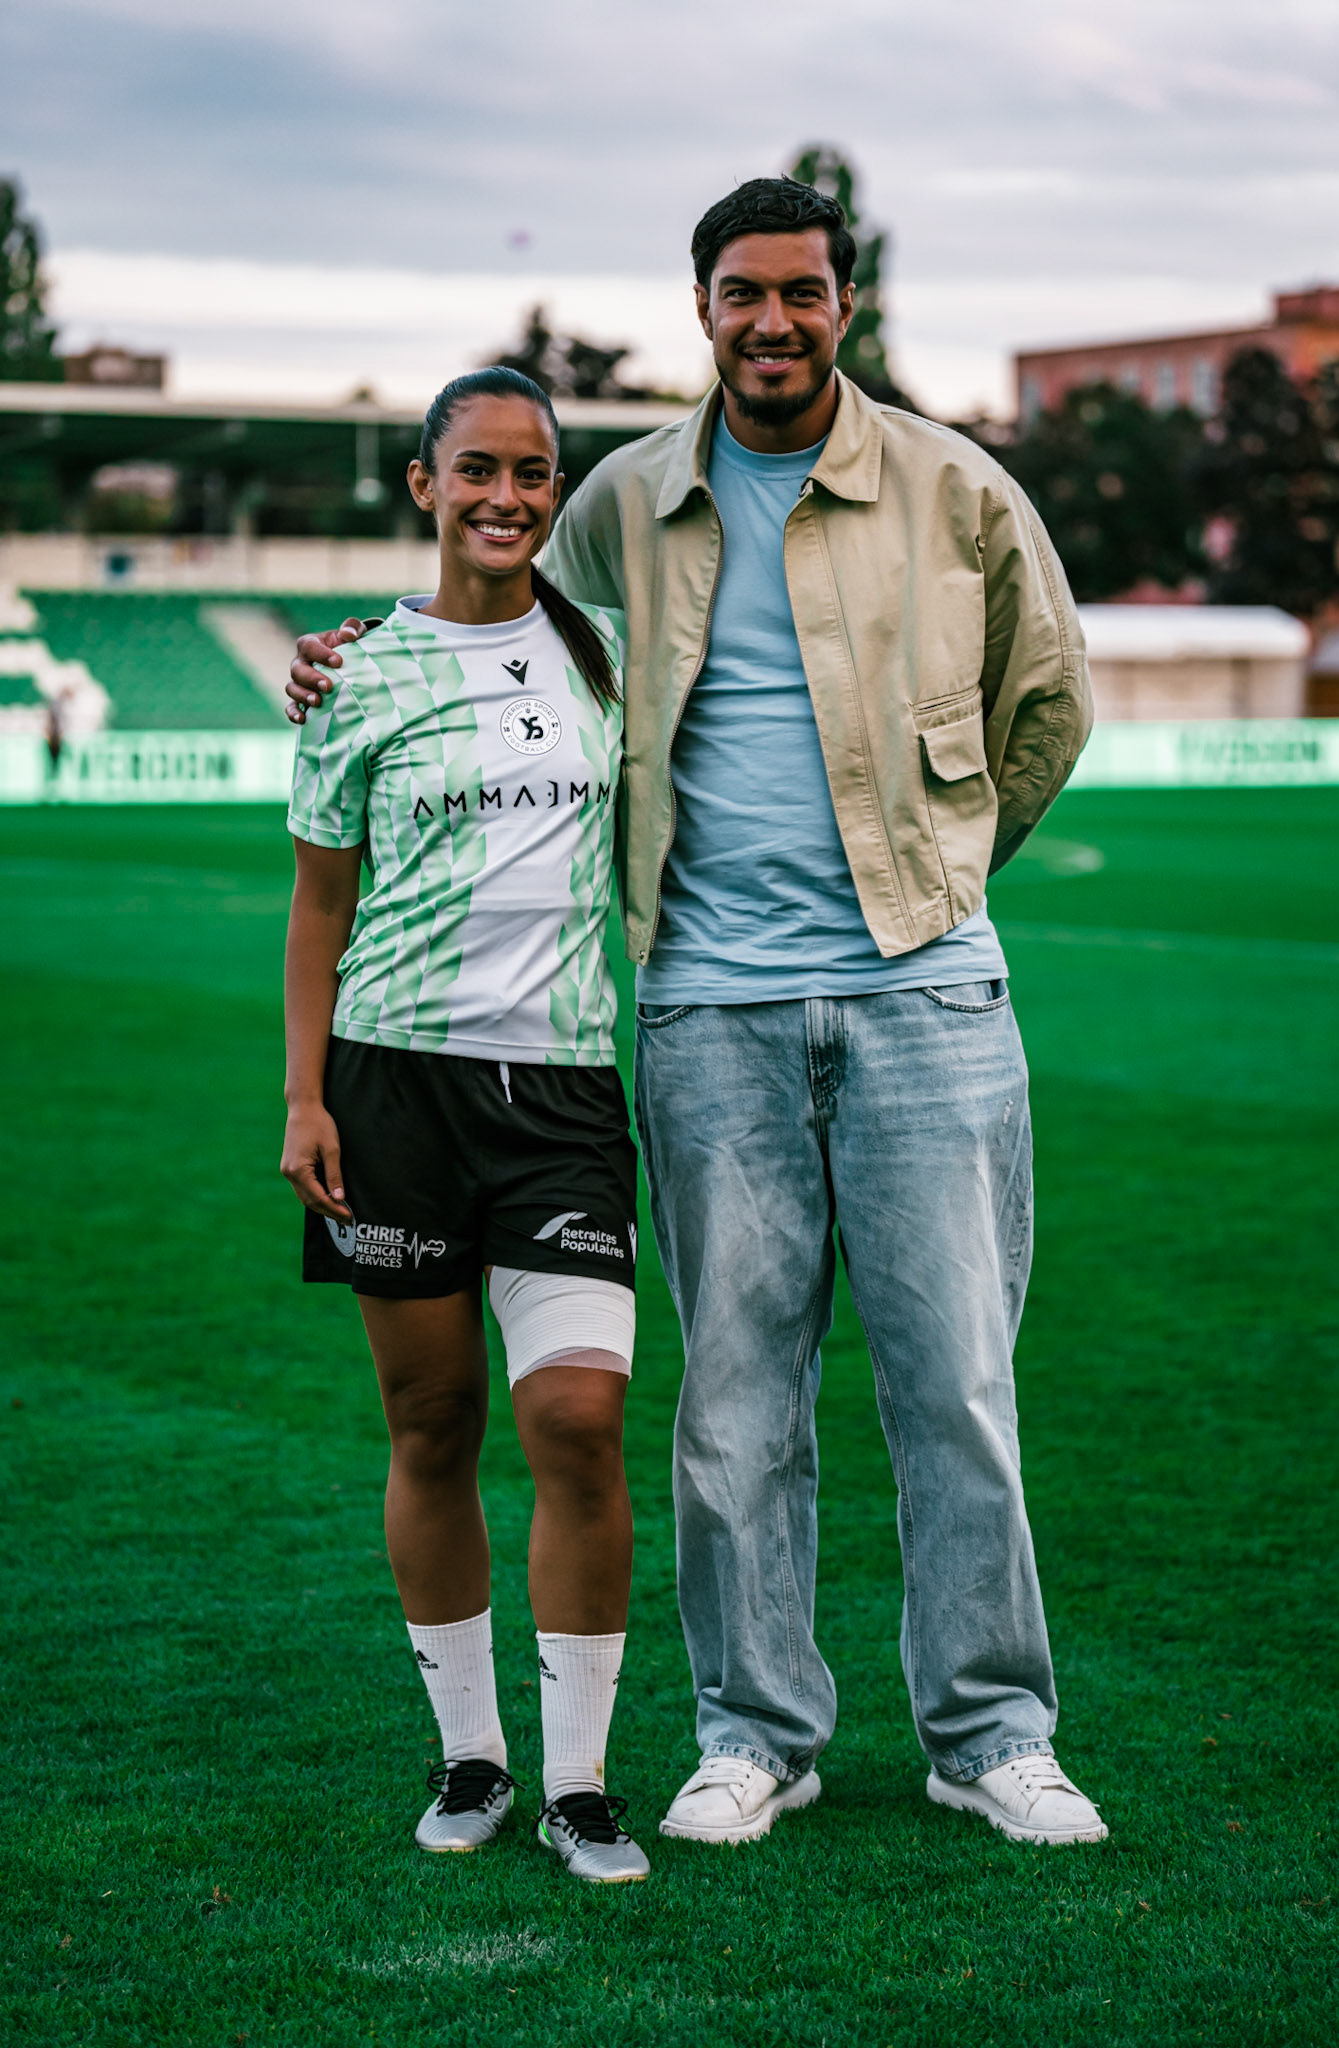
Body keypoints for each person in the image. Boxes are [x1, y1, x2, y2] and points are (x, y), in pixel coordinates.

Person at [287, 178, 1106, 1851]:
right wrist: (353, 654)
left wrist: (937, 872)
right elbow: (499, 619)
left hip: (926, 997)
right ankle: (755, 1733)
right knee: (733, 1400)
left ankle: (989, 1734)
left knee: (955, 1387)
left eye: (801, 292)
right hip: (703, 1015)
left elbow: (1049, 707)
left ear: (843, 303)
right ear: (704, 308)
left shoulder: (954, 487)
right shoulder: (620, 500)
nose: (773, 321)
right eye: (742, 294)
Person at [280, 366, 650, 1884]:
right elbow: (318, 901)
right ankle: (472, 1757)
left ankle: (578, 1781)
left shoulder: (614, 656)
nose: (507, 497)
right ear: (424, 485)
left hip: (560, 1089)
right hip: (391, 1085)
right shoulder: (353, 674)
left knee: (576, 1418)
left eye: (534, 474)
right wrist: (303, 1092)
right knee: (431, 1422)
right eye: (477, 469)